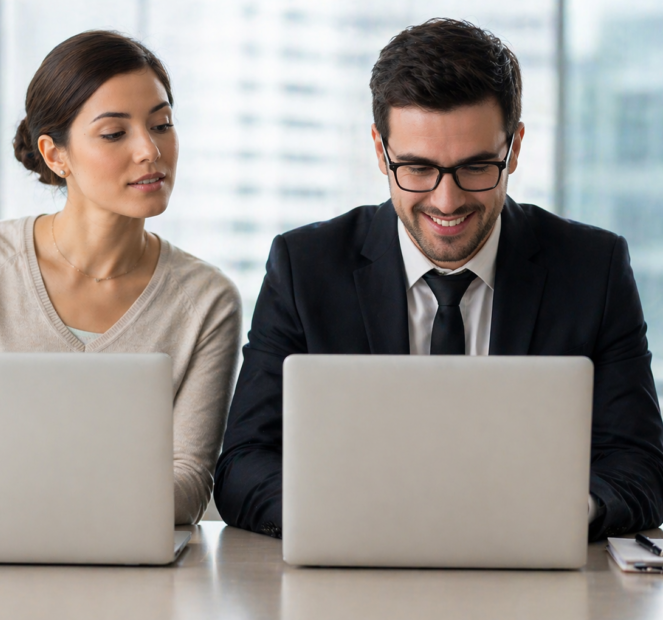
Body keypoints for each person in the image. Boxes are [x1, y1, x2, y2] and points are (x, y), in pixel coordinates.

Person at [213, 18, 663, 541]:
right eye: (418, 168)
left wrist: (558, 512)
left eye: (475, 167)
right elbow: (243, 464)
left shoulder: (593, 269)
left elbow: (640, 468)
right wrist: (343, 515)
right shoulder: (305, 266)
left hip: (530, 574)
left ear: (514, 148)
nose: (446, 202)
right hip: (355, 569)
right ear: (381, 151)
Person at [0, 31, 242, 525]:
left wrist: (8, 487)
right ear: (56, 155)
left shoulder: (208, 300)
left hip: (132, 581)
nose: (150, 150)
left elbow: (186, 486)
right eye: (114, 133)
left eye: (162, 124)